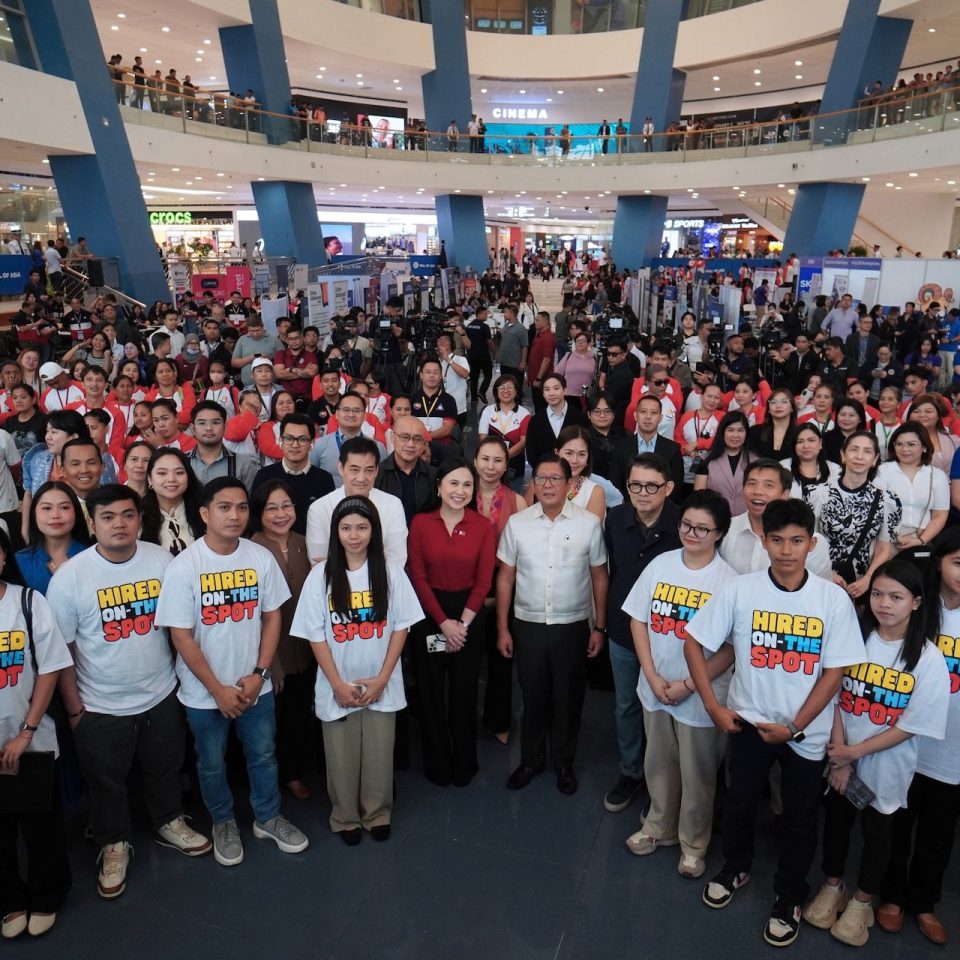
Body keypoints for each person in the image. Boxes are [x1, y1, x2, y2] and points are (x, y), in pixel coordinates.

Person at [684, 498, 865, 947]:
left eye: (797, 540)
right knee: (740, 802)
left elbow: (835, 671)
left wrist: (796, 727)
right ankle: (737, 867)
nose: (786, 550)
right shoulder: (741, 590)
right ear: (763, 542)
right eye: (777, 540)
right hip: (747, 721)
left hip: (806, 733)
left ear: (812, 543)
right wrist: (713, 705)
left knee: (801, 819)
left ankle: (790, 896)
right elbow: (694, 644)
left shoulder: (832, 599)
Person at [49, 486, 212, 900]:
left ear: (140, 519)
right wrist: (73, 709)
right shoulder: (70, 577)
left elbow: (180, 626)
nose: (118, 524)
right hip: (99, 703)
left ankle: (169, 821)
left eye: (127, 515)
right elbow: (62, 651)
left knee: (165, 767)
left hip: (161, 693)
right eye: (108, 517)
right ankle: (114, 844)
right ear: (92, 523)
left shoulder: (162, 561)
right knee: (106, 784)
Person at [155, 477, 309, 867]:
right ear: (204, 513)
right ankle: (223, 821)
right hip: (204, 693)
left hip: (252, 685)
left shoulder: (259, 557)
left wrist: (258, 673)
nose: (235, 515)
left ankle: (267, 817)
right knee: (211, 762)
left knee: (263, 755)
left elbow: (273, 617)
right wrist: (217, 690)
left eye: (242, 507)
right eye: (224, 507)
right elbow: (181, 636)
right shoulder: (184, 566)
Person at [803, 560, 948, 946]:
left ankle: (862, 903)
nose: (885, 604)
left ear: (916, 603)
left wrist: (852, 753)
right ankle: (833, 888)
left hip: (886, 766)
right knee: (835, 826)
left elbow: (909, 726)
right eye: (878, 594)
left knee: (879, 836)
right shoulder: (855, 638)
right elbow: (833, 695)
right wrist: (840, 755)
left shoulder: (929, 659)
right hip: (840, 758)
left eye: (896, 597)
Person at [290, 496, 420, 844]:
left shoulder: (390, 572)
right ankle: (345, 817)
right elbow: (315, 635)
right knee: (341, 758)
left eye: (362, 527)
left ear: (373, 531)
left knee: (379, 755)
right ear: (336, 532)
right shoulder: (321, 575)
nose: (354, 535)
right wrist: (336, 684)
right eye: (346, 528)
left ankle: (377, 814)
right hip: (338, 685)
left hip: (381, 684)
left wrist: (382, 679)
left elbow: (401, 628)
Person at [622, 490, 735, 878]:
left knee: (698, 773)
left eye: (703, 529)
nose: (692, 533)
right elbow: (638, 619)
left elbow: (730, 650)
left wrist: (688, 685)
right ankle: (657, 827)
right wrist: (652, 675)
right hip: (655, 687)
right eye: (687, 525)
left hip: (700, 697)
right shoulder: (661, 564)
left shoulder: (729, 581)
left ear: (719, 533)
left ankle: (693, 844)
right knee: (659, 763)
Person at [497, 454, 608, 796]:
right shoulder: (518, 523)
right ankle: (531, 760)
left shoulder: (589, 523)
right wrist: (503, 627)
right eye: (540, 479)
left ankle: (564, 763)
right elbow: (505, 578)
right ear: (532, 484)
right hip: (527, 623)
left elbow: (599, 577)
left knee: (568, 697)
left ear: (568, 484)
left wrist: (599, 626)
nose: (546, 485)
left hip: (572, 625)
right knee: (531, 695)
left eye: (554, 479)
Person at [877, 528, 960, 945]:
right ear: (940, 562)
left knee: (938, 831)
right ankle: (890, 897)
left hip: (953, 747)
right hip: (904, 740)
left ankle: (924, 902)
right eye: (958, 563)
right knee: (898, 823)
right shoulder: (919, 608)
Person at [0, 526, 72, 939]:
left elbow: (50, 666)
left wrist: (25, 732)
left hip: (32, 736)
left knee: (41, 823)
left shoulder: (28, 602)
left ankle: (46, 893)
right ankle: (8, 898)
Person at [407, 459, 495, 786]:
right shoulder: (420, 523)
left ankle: (464, 762)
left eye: (467, 485)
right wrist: (444, 623)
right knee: (430, 693)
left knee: (464, 691)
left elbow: (484, 581)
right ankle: (437, 763)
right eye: (454, 484)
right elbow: (417, 577)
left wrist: (462, 624)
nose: (460, 491)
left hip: (469, 616)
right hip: (431, 617)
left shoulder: (483, 526)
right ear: (439, 486)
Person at [603, 453, 682, 813]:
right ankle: (631, 771)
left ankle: (666, 779)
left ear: (668, 488)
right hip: (622, 628)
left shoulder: (684, 524)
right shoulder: (615, 518)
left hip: (669, 636)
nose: (643, 493)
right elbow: (611, 568)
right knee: (626, 705)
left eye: (652, 486)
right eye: (635, 485)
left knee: (667, 707)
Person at [248, 480, 314, 802]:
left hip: (307, 650)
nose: (280, 514)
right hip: (269, 656)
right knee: (268, 726)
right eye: (271, 508)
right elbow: (255, 616)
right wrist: (269, 664)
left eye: (286, 505)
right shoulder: (250, 548)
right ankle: (267, 781)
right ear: (259, 513)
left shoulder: (306, 543)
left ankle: (293, 773)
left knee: (298, 718)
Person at [473, 437, 526, 745]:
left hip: (504, 582)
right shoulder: (461, 492)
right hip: (466, 586)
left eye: (498, 461)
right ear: (475, 460)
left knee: (501, 657)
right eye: (485, 459)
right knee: (464, 661)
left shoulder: (517, 501)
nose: (490, 467)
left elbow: (522, 552)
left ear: (507, 466)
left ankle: (499, 720)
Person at [815, 432, 902, 600]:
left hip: (862, 584)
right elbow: (809, 539)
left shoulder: (888, 500)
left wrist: (868, 579)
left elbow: (884, 548)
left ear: (875, 459)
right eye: (854, 449)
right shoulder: (818, 493)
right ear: (843, 454)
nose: (860, 456)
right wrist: (827, 573)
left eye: (867, 451)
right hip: (821, 578)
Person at [721, 459, 834, 577]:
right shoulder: (725, 529)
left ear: (785, 494)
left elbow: (820, 590)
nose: (758, 491)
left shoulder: (810, 542)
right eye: (752, 484)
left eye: (769, 485)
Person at [305, 437, 407, 566]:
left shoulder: (392, 505)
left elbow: (396, 559)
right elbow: (319, 562)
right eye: (354, 469)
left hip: (382, 582)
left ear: (376, 471)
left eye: (369, 470)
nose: (361, 478)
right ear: (341, 468)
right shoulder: (319, 508)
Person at [251, 414, 335, 535]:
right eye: (289, 438)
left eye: (302, 439)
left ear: (312, 443)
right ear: (281, 441)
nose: (295, 445)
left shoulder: (324, 479)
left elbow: (328, 521)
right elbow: (255, 519)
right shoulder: (264, 476)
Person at [875, 423, 949, 552]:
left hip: (920, 538)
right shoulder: (883, 471)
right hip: (884, 540)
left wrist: (921, 540)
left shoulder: (937, 475)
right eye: (899, 444)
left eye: (911, 444)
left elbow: (940, 515)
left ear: (924, 446)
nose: (904, 449)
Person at [15, 481, 92, 594]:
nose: (55, 515)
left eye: (64, 507)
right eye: (47, 508)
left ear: (76, 512)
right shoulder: (19, 561)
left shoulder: (93, 556)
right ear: (34, 515)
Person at [140, 448, 205, 556]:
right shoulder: (138, 516)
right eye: (162, 473)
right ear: (150, 479)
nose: (171, 479)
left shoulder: (205, 513)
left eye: (179, 472)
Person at [373, 415, 436, 527]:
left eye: (417, 439)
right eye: (404, 437)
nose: (410, 444)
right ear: (392, 437)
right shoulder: (376, 474)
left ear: (424, 444)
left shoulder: (434, 476)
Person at [186, 401, 258, 490]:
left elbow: (249, 500)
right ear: (193, 428)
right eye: (202, 423)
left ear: (225, 427)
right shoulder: (182, 461)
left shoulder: (243, 463)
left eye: (216, 423)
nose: (209, 428)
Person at [693, 411, 754, 514]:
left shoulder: (755, 461)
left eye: (740, 430)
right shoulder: (704, 459)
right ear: (722, 432)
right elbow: (699, 498)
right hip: (715, 520)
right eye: (730, 430)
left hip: (747, 521)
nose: (735, 435)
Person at [525, 374, 587, 473]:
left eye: (556, 388)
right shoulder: (536, 420)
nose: (552, 393)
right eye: (547, 389)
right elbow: (531, 453)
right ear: (543, 394)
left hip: (574, 474)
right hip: (545, 477)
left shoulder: (580, 418)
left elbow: (586, 448)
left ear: (565, 390)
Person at [477, 374, 531, 487]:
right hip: (491, 465)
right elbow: (483, 437)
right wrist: (496, 458)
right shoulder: (488, 410)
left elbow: (523, 442)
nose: (505, 390)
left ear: (516, 391)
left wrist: (503, 457)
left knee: (513, 498)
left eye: (510, 387)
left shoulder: (524, 413)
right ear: (496, 391)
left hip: (515, 465)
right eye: (501, 387)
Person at [782, 422, 841, 507]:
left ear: (820, 443)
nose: (806, 446)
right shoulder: (782, 467)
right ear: (794, 446)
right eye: (800, 441)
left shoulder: (836, 470)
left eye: (811, 440)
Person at [749, 388, 796, 460]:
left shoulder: (800, 433)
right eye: (773, 402)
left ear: (792, 408)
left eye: (784, 402)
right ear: (769, 410)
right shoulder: (755, 431)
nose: (778, 406)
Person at [461, 306, 494, 404]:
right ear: (479, 314)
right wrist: (494, 352)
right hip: (484, 355)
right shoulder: (484, 327)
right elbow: (489, 342)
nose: (487, 315)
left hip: (472, 356)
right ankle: (482, 391)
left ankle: (473, 398)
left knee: (474, 377)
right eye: (485, 314)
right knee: (488, 375)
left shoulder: (469, 326)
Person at [555, 330, 598, 404]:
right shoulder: (568, 356)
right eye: (577, 340)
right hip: (568, 395)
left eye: (583, 340)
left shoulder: (594, 358)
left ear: (588, 343)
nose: (580, 343)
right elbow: (557, 374)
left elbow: (596, 376)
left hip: (586, 396)